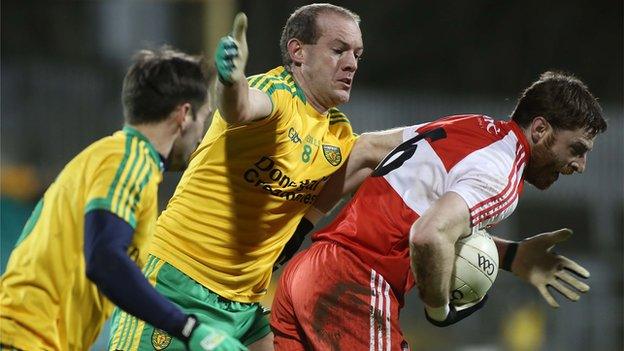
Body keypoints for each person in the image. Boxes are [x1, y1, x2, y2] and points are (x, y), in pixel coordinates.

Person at [108, 4, 402, 351]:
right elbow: (242, 106)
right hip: (176, 284)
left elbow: (371, 155)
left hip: (243, 306)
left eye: (357, 54)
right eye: (338, 50)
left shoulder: (337, 135)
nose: (351, 63)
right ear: (298, 52)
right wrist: (231, 80)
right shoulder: (276, 95)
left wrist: (461, 150)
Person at [270, 71, 607, 350]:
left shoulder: (472, 127)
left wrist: (304, 223)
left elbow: (365, 149)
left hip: (309, 270)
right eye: (577, 149)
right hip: (354, 288)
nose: (580, 165)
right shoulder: (503, 174)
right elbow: (430, 234)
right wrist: (439, 309)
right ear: (540, 129)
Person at [0, 47, 239, 351]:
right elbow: (105, 259)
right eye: (203, 119)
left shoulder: (117, 158)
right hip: (25, 339)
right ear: (184, 114)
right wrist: (189, 328)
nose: (201, 136)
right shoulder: (129, 161)